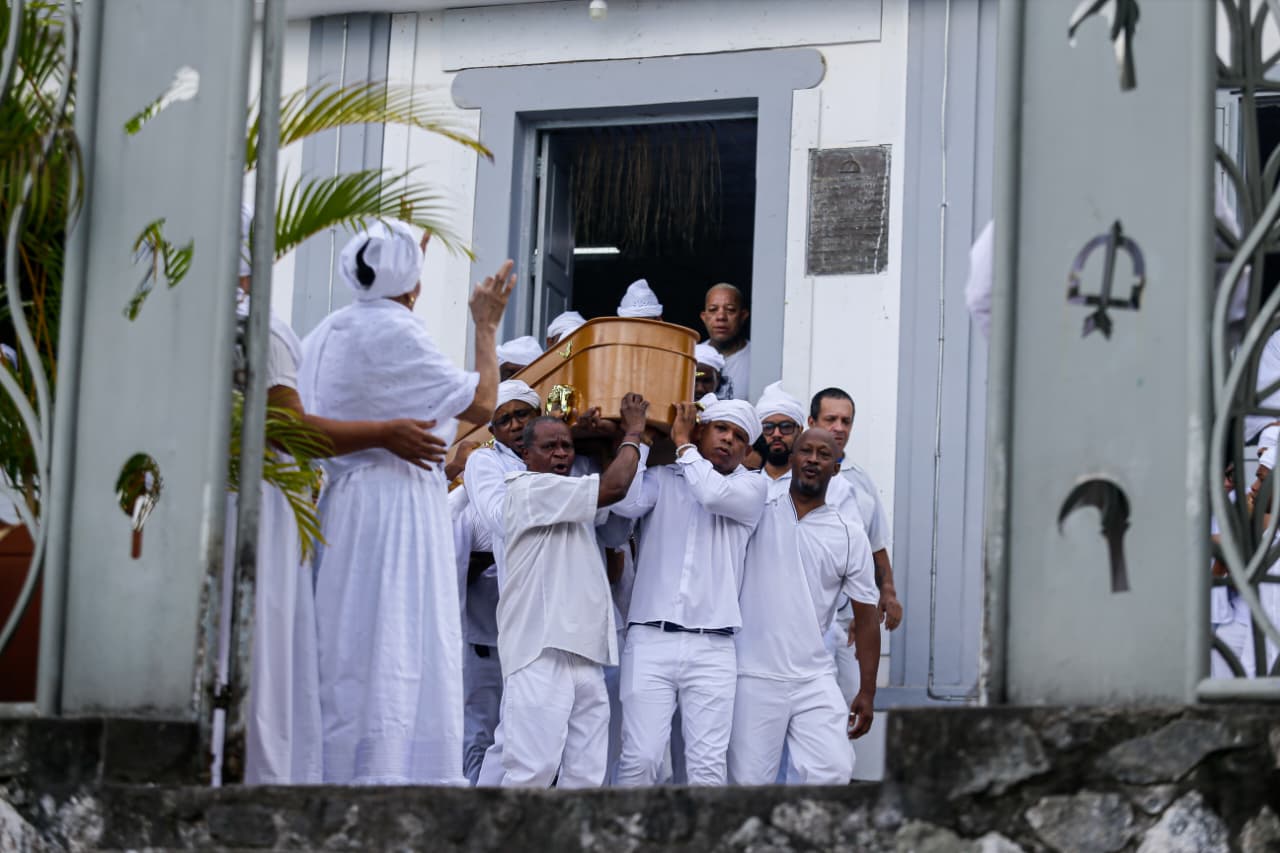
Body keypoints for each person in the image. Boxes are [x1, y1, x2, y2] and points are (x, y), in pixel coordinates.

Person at [215, 206, 448, 786]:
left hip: (248, 495)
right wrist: (385, 434)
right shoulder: (261, 328)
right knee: (270, 649)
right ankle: (261, 784)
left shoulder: (311, 332)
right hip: (266, 501)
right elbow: (293, 430)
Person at [297, 219, 513, 785]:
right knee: (396, 642)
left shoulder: (326, 332)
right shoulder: (397, 332)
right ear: (411, 282)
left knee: (346, 647)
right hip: (396, 510)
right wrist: (486, 326)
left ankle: (336, 775)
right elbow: (485, 402)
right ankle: (391, 779)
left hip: (343, 506)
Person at [610, 394, 767, 786]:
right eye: (721, 429)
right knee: (640, 759)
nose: (728, 440)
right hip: (649, 639)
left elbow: (712, 495)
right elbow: (624, 504)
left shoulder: (752, 489)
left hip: (713, 648)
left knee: (707, 768)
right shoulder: (663, 480)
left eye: (738, 436)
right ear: (703, 431)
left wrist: (682, 444)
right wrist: (640, 438)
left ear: (747, 449)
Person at [498, 396, 649, 787]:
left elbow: (608, 492)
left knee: (585, 780)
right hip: (539, 650)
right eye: (549, 446)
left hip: (585, 652)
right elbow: (615, 485)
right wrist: (633, 430)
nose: (562, 453)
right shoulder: (527, 489)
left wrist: (601, 438)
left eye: (567, 445)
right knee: (531, 773)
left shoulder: (573, 496)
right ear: (525, 454)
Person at [729, 429, 880, 784]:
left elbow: (868, 618)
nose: (813, 459)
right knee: (748, 785)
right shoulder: (758, 510)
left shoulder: (849, 533)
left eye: (824, 454)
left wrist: (868, 691)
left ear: (837, 468)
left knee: (835, 770)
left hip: (814, 676)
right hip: (752, 674)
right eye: (806, 451)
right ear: (792, 458)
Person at [808, 388, 903, 630]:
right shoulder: (792, 475)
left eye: (846, 421)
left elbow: (875, 545)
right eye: (830, 419)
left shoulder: (861, 481)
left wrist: (888, 593)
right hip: (803, 613)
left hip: (849, 618)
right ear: (811, 422)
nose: (839, 427)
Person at [699, 283, 750, 400]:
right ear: (704, 317)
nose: (721, 316)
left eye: (730, 310)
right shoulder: (692, 357)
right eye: (713, 310)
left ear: (743, 316)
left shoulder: (758, 359)